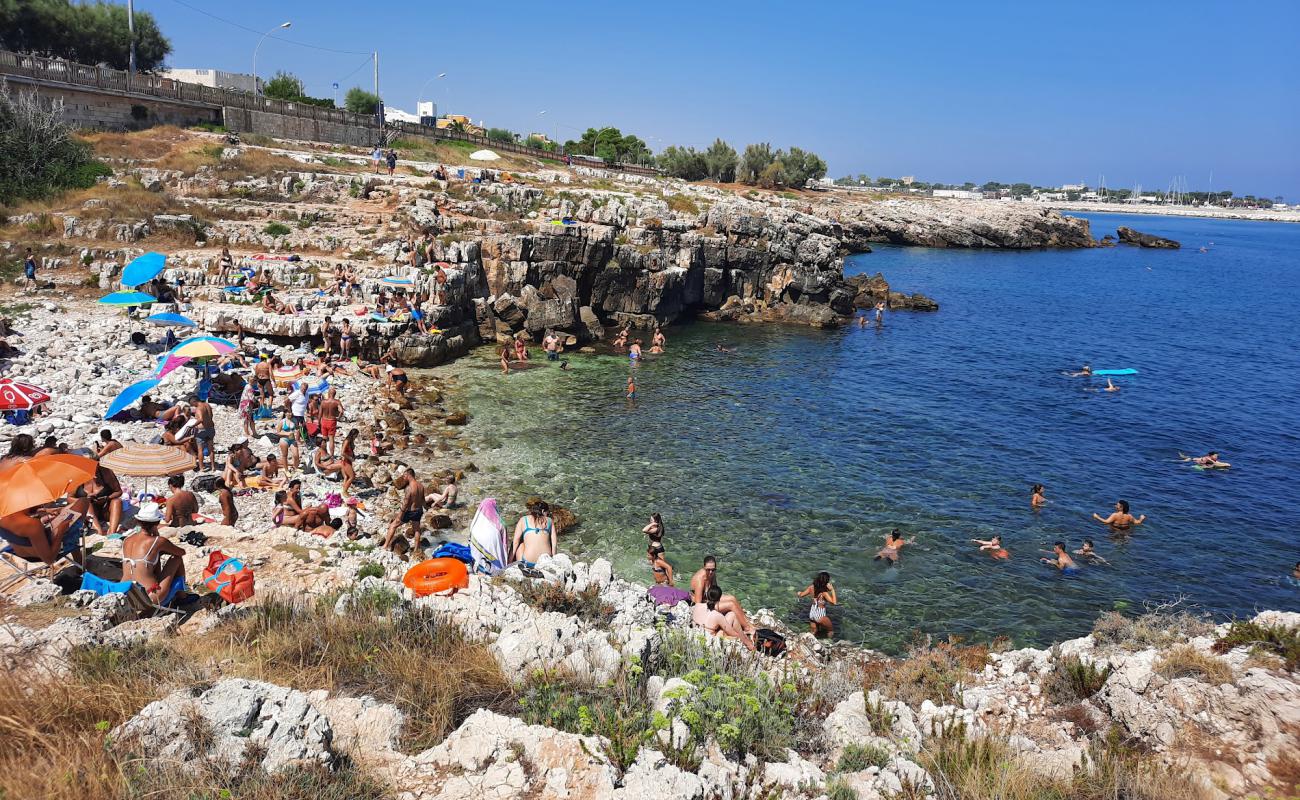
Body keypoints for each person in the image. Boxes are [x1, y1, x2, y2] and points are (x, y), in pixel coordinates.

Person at [121, 503, 187, 606]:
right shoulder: (157, 541)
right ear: (157, 522)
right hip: (149, 596)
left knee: (154, 558)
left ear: (138, 521)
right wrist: (157, 536)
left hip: (124, 594)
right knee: (176, 559)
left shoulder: (127, 540)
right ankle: (183, 597)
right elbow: (181, 552)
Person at [689, 556, 755, 637]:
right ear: (704, 567)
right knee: (731, 605)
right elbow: (698, 604)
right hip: (702, 605)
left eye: (713, 570)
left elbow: (715, 591)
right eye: (708, 570)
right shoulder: (700, 579)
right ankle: (747, 628)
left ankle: (747, 623)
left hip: (709, 599)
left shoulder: (712, 574)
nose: (710, 572)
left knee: (732, 598)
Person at [692, 586, 755, 651]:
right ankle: (750, 646)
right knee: (732, 615)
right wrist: (742, 637)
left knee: (730, 616)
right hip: (709, 641)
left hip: (696, 636)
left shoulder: (697, 605)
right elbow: (732, 633)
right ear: (719, 599)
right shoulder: (717, 615)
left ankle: (746, 639)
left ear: (707, 596)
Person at [384, 467, 426, 558]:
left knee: (393, 525)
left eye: (404, 476)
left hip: (409, 511)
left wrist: (400, 514)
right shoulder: (421, 486)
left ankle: (385, 545)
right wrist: (425, 509)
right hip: (418, 510)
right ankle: (416, 550)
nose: (403, 478)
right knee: (417, 529)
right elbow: (423, 500)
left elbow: (406, 503)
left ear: (408, 475)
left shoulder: (409, 488)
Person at [511, 498, 556, 568]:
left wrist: (509, 561)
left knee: (521, 544)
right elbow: (554, 544)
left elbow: (515, 542)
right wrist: (553, 560)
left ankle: (520, 566)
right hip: (546, 563)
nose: (548, 515)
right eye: (548, 512)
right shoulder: (550, 521)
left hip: (528, 562)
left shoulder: (523, 519)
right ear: (543, 511)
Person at [85, 463, 123, 538]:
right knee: (87, 503)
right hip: (89, 512)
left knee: (117, 501)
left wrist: (107, 498)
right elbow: (70, 498)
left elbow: (119, 491)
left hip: (106, 509)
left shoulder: (106, 473)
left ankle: (112, 531)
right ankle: (99, 531)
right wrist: (85, 498)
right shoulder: (78, 476)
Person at [797, 571, 837, 636]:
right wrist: (832, 590)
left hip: (812, 614)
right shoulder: (824, 593)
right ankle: (828, 643)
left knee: (813, 632)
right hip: (820, 616)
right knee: (830, 631)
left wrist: (799, 593)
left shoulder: (811, 587)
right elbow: (834, 603)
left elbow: (801, 595)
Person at [193, 394, 216, 472]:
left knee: (200, 450)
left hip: (202, 430)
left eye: (192, 404)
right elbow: (211, 415)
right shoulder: (207, 405)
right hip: (211, 428)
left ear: (194, 402)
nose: (193, 406)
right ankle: (213, 467)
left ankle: (201, 467)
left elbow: (201, 419)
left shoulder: (199, 408)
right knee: (211, 449)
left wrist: (192, 426)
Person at [319, 388, 343, 458]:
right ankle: (332, 455)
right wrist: (339, 417)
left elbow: (320, 413)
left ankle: (324, 453)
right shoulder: (337, 402)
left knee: (324, 438)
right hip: (332, 421)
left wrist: (318, 422)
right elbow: (341, 411)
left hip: (324, 420)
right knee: (331, 439)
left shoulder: (323, 402)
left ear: (328, 394)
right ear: (335, 394)